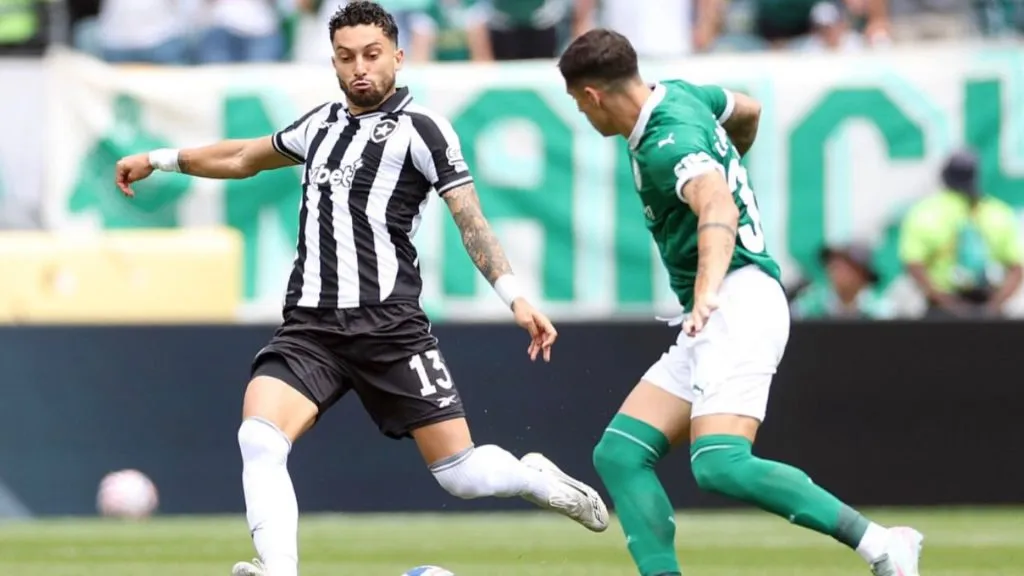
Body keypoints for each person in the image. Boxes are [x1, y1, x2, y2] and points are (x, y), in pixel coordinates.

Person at [113, 3, 608, 576]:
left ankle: (534, 478)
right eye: (347, 58)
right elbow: (245, 156)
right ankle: (279, 570)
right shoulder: (319, 125)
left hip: (389, 327)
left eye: (372, 55)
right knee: (260, 439)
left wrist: (516, 296)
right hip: (311, 328)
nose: (360, 69)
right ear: (334, 62)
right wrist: (158, 158)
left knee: (462, 476)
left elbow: (470, 219)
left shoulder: (424, 130)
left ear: (397, 56)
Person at [556, 28, 923, 576]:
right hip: (721, 305)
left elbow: (717, 205)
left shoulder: (667, 144)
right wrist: (731, 160)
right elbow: (747, 111)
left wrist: (706, 288)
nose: (585, 119)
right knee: (620, 454)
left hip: (736, 300)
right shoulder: (681, 94)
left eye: (579, 106)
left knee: (720, 463)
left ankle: (881, 543)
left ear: (591, 96)